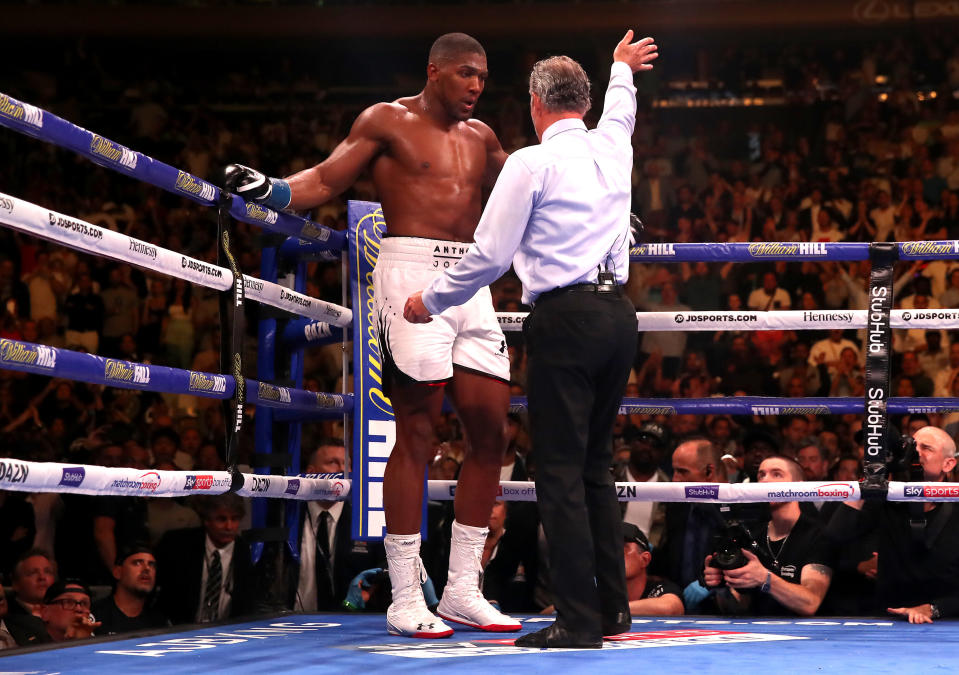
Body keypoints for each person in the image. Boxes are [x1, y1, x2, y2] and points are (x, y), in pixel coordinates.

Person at [225, 32, 516, 639]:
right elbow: (327, 181)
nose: (474, 87)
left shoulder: (482, 138)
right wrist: (271, 191)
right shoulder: (387, 120)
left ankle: (464, 589)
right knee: (417, 432)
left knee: (492, 432)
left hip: (472, 278)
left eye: (482, 78)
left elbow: (529, 190)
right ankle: (406, 594)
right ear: (434, 71)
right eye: (465, 74)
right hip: (408, 272)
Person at [405, 30, 659, 648]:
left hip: (567, 321)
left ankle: (576, 621)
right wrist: (622, 68)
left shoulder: (531, 162)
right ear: (584, 103)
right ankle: (611, 611)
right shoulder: (613, 145)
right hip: (617, 317)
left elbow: (490, 256)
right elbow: (622, 108)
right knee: (594, 467)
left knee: (563, 472)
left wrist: (428, 300)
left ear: (536, 105)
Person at [827, 426, 959, 622]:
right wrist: (872, 475)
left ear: (948, 464)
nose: (915, 453)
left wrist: (933, 609)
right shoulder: (888, 500)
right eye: (912, 446)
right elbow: (834, 538)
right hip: (887, 619)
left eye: (926, 448)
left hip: (945, 622)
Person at [703, 456, 834, 616]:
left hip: (806, 635)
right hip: (758, 632)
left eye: (776, 474)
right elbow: (741, 605)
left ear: (800, 487)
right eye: (761, 475)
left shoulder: (818, 534)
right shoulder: (750, 534)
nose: (765, 481)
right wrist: (722, 583)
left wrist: (765, 579)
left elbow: (810, 603)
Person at [290, 440, 384, 611]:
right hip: (292, 621)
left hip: (350, 623)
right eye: (332, 463)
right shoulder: (290, 516)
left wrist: (370, 591)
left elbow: (383, 568)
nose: (343, 470)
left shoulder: (366, 517)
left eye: (347, 464)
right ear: (311, 473)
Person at [156, 493, 255, 624]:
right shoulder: (177, 545)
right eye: (221, 519)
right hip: (181, 630)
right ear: (206, 520)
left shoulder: (245, 551)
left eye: (235, 519)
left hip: (228, 633)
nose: (229, 527)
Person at [91, 543, 169, 636]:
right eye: (137, 563)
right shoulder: (95, 615)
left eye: (151, 564)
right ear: (117, 572)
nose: (147, 568)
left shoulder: (159, 622)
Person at [622, 523, 684, 616]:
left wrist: (614, 610)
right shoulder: (598, 587)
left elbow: (670, 607)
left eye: (622, 549)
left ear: (645, 559)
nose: (613, 555)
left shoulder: (659, 588)